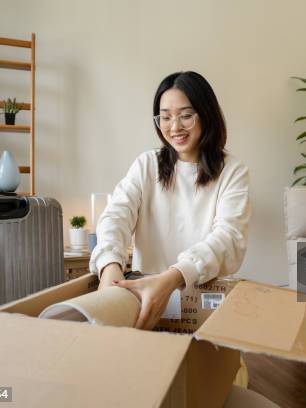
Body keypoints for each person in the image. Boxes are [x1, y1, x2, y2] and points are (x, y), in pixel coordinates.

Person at [89, 71, 250, 331]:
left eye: (186, 115)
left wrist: (172, 278)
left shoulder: (232, 171)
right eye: (165, 117)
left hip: (202, 306)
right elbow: (116, 215)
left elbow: (229, 239)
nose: (174, 127)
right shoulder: (147, 164)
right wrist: (109, 265)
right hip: (143, 298)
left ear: (206, 114)